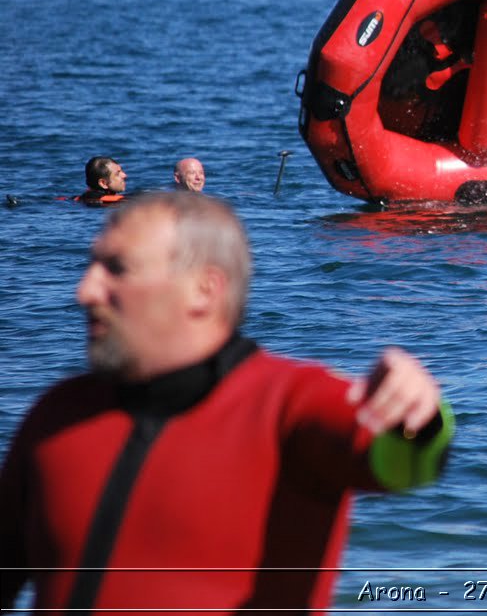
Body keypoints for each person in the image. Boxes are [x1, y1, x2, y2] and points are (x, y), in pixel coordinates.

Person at [0, 192, 454, 612]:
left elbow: (408, 464)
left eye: (116, 269)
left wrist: (419, 410)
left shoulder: (289, 403)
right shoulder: (56, 416)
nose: (85, 291)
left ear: (204, 289)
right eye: (91, 266)